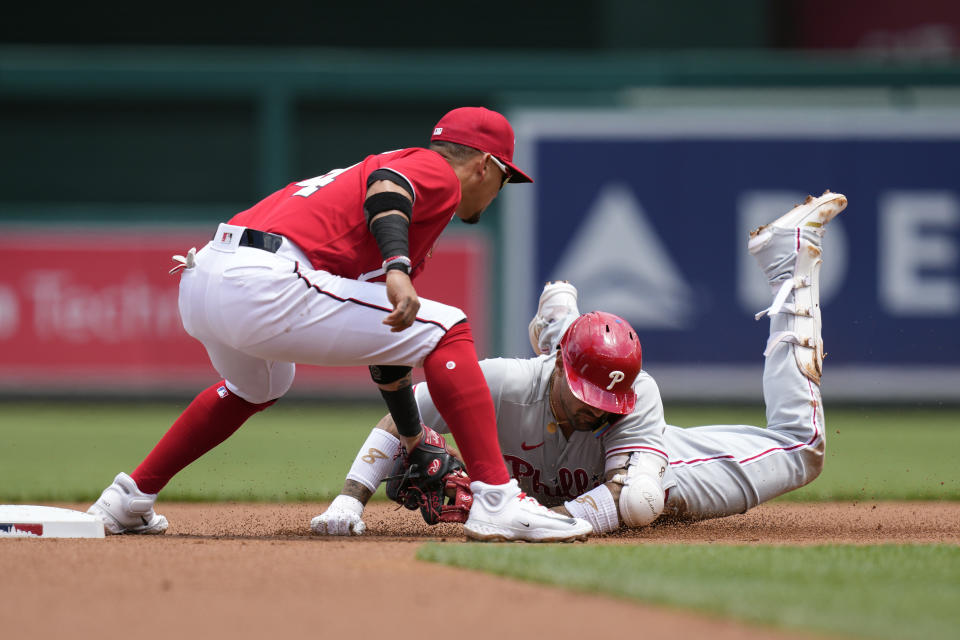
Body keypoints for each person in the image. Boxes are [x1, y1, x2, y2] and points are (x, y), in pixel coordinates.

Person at [86, 106, 593, 543]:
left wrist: (413, 439)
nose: (500, 191)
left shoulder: (411, 194)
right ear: (486, 165)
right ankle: (498, 498)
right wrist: (397, 269)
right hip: (264, 278)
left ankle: (129, 498)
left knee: (258, 382)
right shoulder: (435, 173)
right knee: (449, 325)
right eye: (505, 179)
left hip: (206, 278)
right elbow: (387, 189)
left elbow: (389, 346)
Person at [313, 191, 847, 535]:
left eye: (605, 401)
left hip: (669, 469)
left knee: (803, 448)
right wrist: (349, 502)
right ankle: (562, 328)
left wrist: (539, 522)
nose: (597, 411)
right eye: (588, 397)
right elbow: (397, 418)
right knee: (562, 369)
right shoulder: (505, 382)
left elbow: (633, 502)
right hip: (552, 374)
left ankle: (787, 262)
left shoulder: (636, 398)